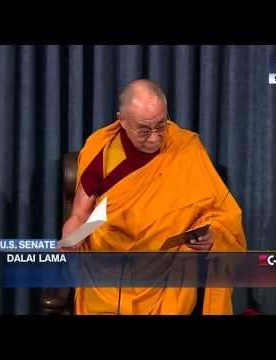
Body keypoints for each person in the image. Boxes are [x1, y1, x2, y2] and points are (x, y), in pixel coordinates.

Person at [61, 79, 246, 314]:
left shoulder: (186, 148)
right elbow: (80, 214)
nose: (155, 138)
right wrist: (72, 238)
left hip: (166, 270)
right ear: (122, 121)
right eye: (144, 130)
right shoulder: (103, 149)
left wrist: (212, 236)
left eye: (161, 126)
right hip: (108, 267)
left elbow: (219, 212)